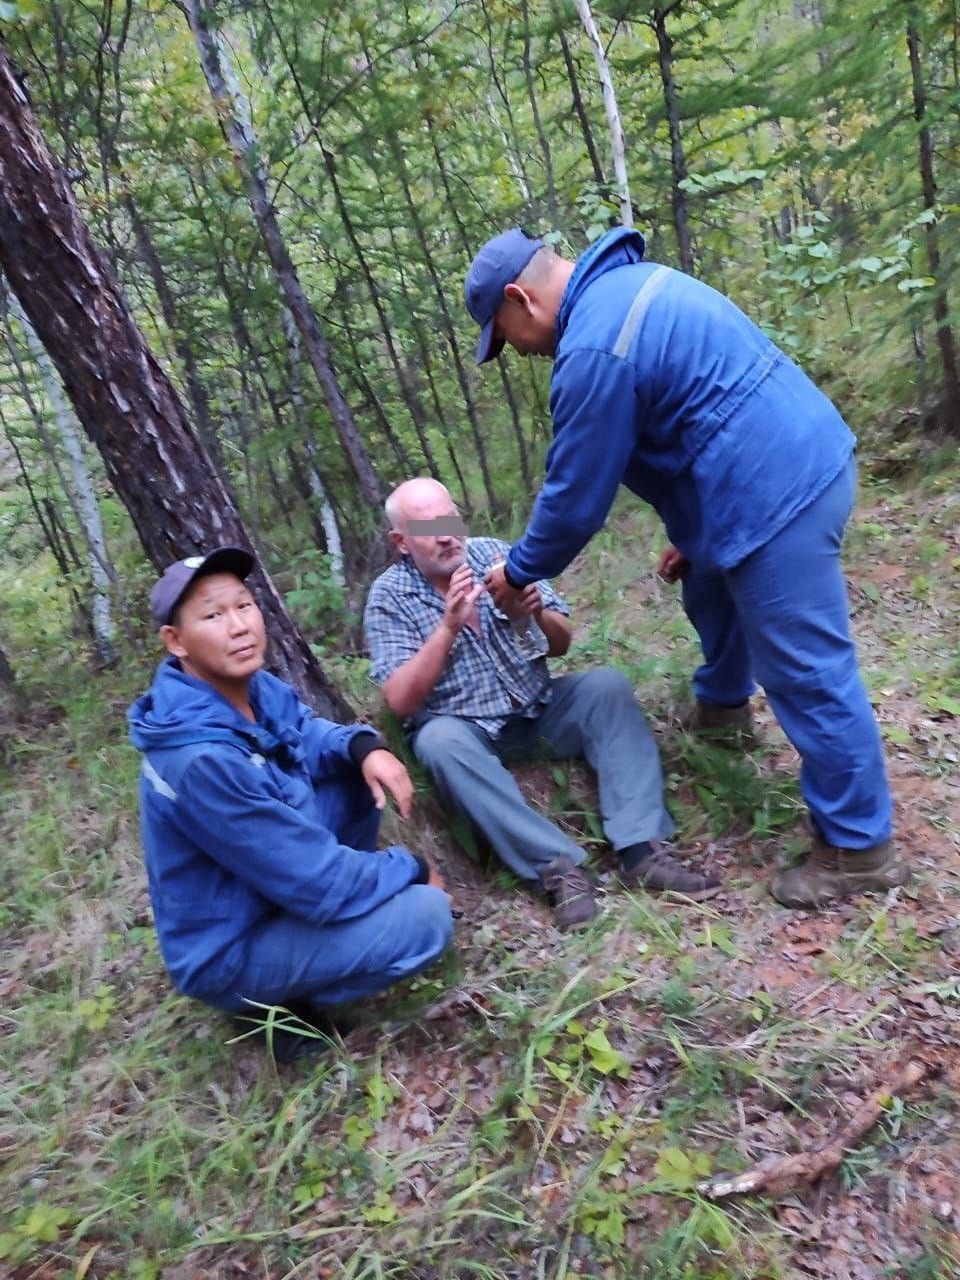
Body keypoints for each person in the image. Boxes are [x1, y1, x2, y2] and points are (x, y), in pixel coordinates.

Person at [464, 226, 908, 910]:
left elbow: (574, 500)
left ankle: (858, 850)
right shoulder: (636, 286)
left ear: (520, 299)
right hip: (787, 461)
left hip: (777, 496)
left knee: (807, 672)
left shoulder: (593, 349)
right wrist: (698, 529)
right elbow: (703, 409)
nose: (518, 351)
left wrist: (519, 571)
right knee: (706, 582)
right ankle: (724, 711)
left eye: (505, 334)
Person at [128, 546, 453, 1060]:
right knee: (426, 918)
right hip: (230, 946)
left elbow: (305, 730)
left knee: (351, 776)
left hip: (270, 889)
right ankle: (272, 1006)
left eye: (243, 605)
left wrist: (362, 747)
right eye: (213, 615)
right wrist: (411, 868)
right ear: (176, 641)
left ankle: (323, 938)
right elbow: (318, 880)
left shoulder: (249, 686)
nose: (239, 626)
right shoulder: (200, 759)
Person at [362, 477, 721, 931]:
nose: (447, 535)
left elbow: (562, 643)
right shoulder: (390, 596)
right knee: (436, 741)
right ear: (401, 541)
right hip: (467, 730)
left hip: (538, 706)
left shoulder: (496, 556)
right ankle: (558, 869)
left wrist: (531, 614)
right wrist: (448, 628)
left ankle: (641, 849)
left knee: (606, 688)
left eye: (450, 519)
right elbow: (400, 700)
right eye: (428, 527)